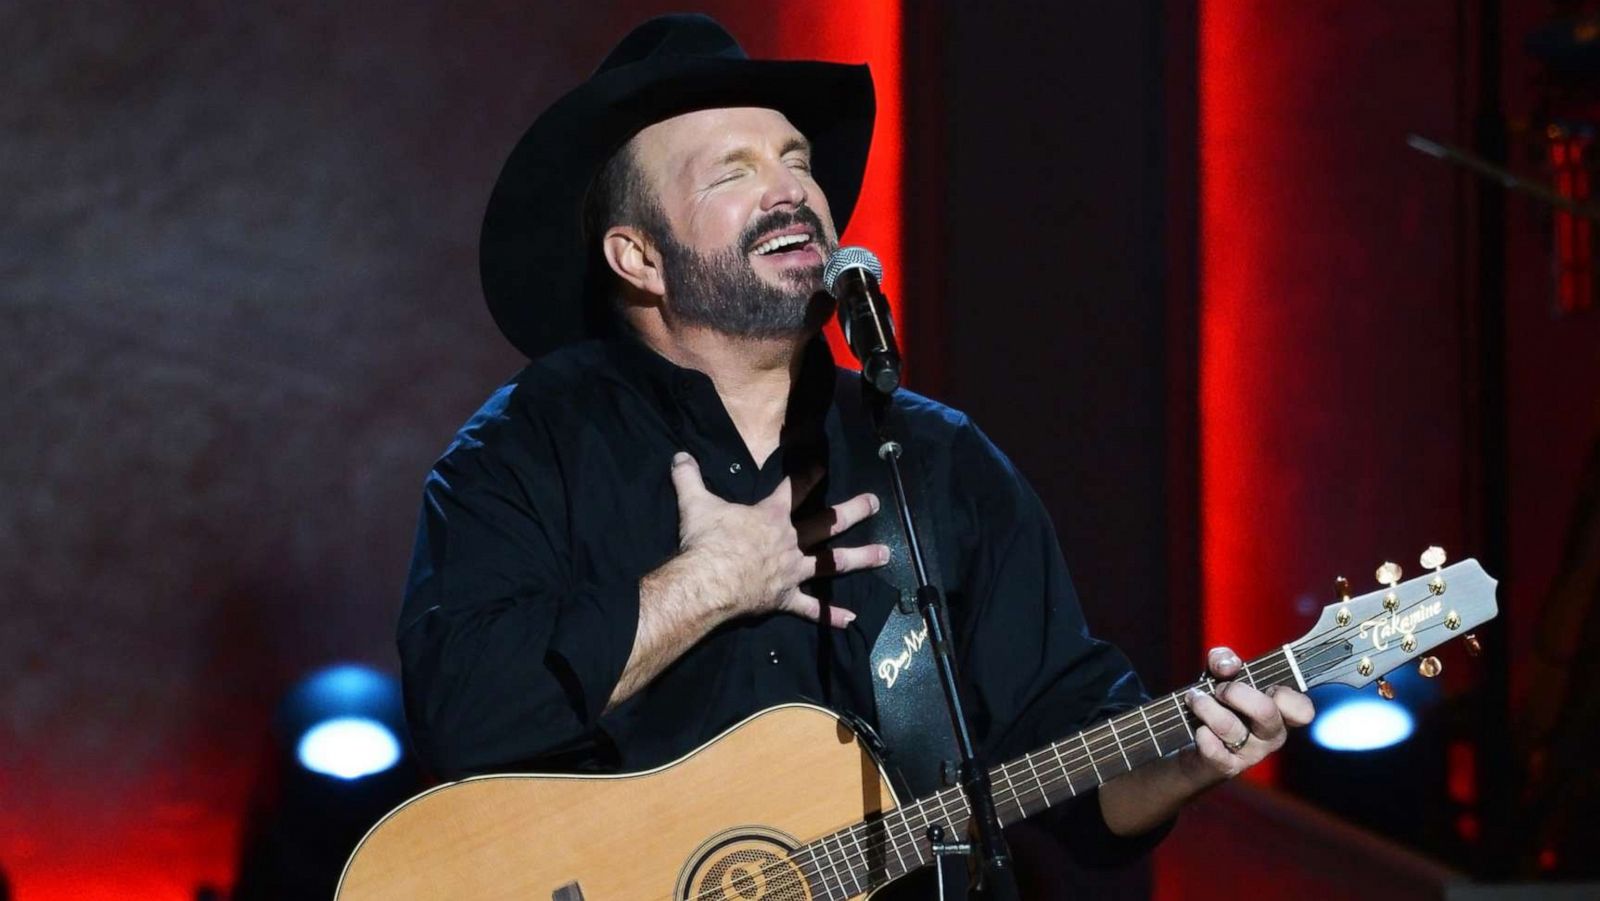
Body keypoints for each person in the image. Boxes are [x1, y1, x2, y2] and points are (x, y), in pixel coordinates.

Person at [398, 13, 1313, 896]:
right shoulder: (523, 452)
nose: (790, 188)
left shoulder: (936, 461)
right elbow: (466, 716)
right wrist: (706, 584)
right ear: (638, 256)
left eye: (797, 161)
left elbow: (1071, 762)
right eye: (734, 173)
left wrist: (1189, 757)